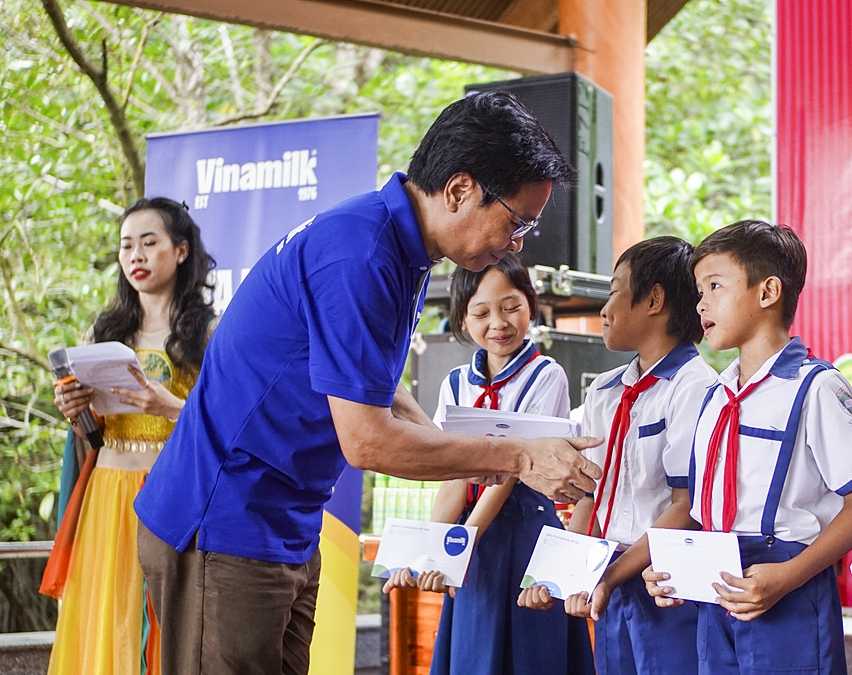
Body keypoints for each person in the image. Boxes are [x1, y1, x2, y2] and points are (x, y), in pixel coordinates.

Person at [132, 92, 603, 675]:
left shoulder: (401, 251)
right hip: (226, 517)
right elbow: (367, 440)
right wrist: (516, 457)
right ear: (459, 190)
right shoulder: (362, 254)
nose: (519, 242)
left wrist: (463, 453)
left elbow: (378, 388)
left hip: (284, 519)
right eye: (518, 221)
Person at [644, 220, 852, 675]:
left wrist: (790, 576)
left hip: (789, 582)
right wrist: (674, 566)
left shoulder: (815, 387)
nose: (701, 303)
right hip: (717, 584)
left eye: (715, 285)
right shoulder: (715, 397)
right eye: (698, 290)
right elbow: (700, 507)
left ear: (768, 292)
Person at [384, 252, 593, 675]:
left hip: (526, 528)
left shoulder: (546, 374)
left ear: (531, 307)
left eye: (511, 307)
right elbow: (452, 473)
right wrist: (436, 550)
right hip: (472, 533)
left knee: (531, 656)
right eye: (481, 312)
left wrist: (460, 546)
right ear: (462, 320)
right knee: (473, 655)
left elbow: (513, 470)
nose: (497, 323)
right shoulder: (456, 382)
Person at [517, 236, 716, 674]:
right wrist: (558, 576)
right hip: (607, 575)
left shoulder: (697, 388)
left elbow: (688, 507)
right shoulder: (604, 391)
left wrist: (607, 576)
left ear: (654, 300)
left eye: (613, 291)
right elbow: (590, 495)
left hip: (663, 579)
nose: (604, 309)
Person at [45, 198, 216, 675]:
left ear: (180, 251)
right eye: (126, 245)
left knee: (165, 627)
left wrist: (170, 407)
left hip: (171, 498)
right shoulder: (104, 331)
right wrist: (75, 411)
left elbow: (228, 424)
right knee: (109, 621)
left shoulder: (208, 333)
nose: (135, 255)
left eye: (149, 242)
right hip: (106, 495)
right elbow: (88, 435)